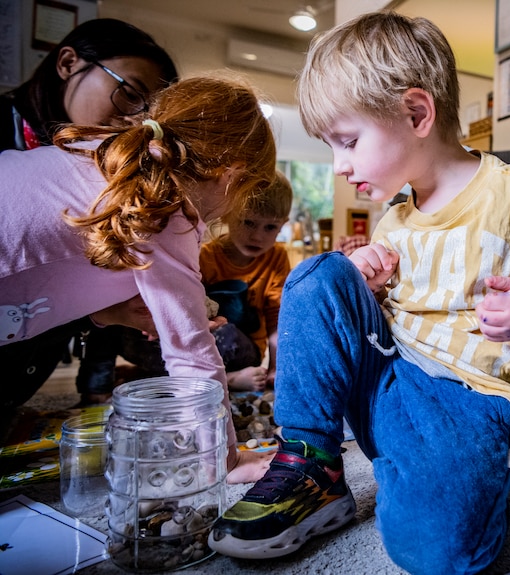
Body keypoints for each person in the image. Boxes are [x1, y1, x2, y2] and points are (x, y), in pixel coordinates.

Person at [207, 11, 510, 574]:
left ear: (417, 113)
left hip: (473, 402)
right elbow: (367, 324)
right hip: (387, 380)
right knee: (321, 274)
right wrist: (364, 291)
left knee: (434, 553)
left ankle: (450, 477)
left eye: (347, 142)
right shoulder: (394, 221)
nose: (339, 166)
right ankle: (310, 462)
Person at [0, 74, 278, 483]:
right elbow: (191, 356)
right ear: (230, 175)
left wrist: (110, 311)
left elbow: (57, 265)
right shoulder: (170, 213)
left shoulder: (107, 157)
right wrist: (224, 459)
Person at [0, 18, 179, 405]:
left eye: (150, 112)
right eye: (129, 92)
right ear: (68, 63)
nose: (136, 120)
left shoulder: (112, 171)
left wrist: (105, 316)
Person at [117, 171, 294, 391]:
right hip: (197, 339)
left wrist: (276, 369)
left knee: (227, 335)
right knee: (124, 331)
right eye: (248, 223)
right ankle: (161, 375)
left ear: (283, 225)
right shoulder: (205, 254)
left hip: (241, 348)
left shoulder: (277, 258)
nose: (258, 236)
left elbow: (277, 319)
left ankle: (220, 379)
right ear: (227, 214)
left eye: (270, 227)